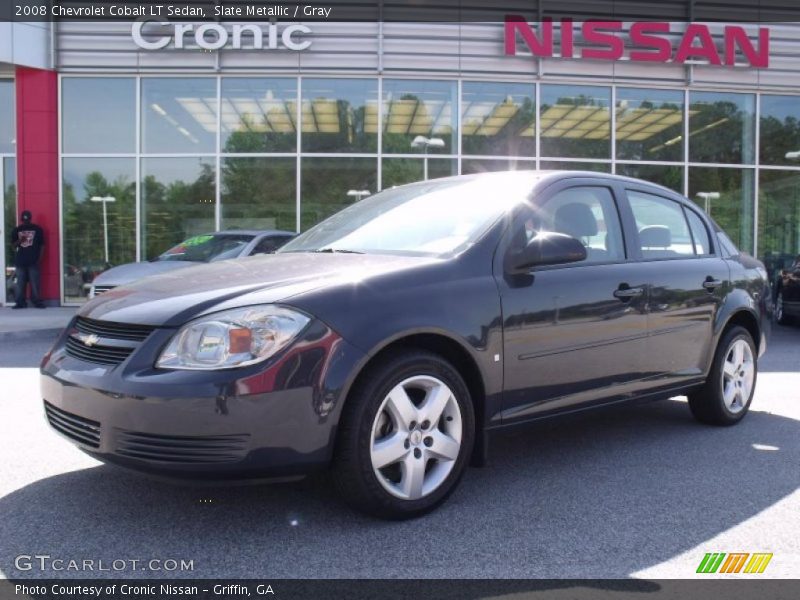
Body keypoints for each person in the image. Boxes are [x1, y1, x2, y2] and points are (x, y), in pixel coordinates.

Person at [11, 210, 45, 309]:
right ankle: (20, 302)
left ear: (30, 218)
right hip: (20, 261)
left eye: (27, 219)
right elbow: (13, 246)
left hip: (33, 260)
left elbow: (42, 245)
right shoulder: (17, 230)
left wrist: (40, 258)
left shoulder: (37, 229)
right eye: (24, 219)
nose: (26, 221)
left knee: (35, 283)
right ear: (22, 219)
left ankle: (36, 301)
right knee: (20, 283)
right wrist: (20, 240)